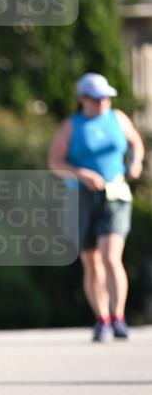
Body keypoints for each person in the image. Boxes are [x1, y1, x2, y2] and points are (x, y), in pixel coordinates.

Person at [48, 72, 145, 342]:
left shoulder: (118, 118)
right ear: (83, 100)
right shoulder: (71, 126)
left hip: (115, 194)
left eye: (106, 98)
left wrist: (135, 162)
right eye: (96, 98)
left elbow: (136, 142)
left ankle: (118, 317)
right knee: (91, 262)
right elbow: (55, 162)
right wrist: (81, 174)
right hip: (81, 197)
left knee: (111, 256)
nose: (103, 103)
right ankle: (101, 318)